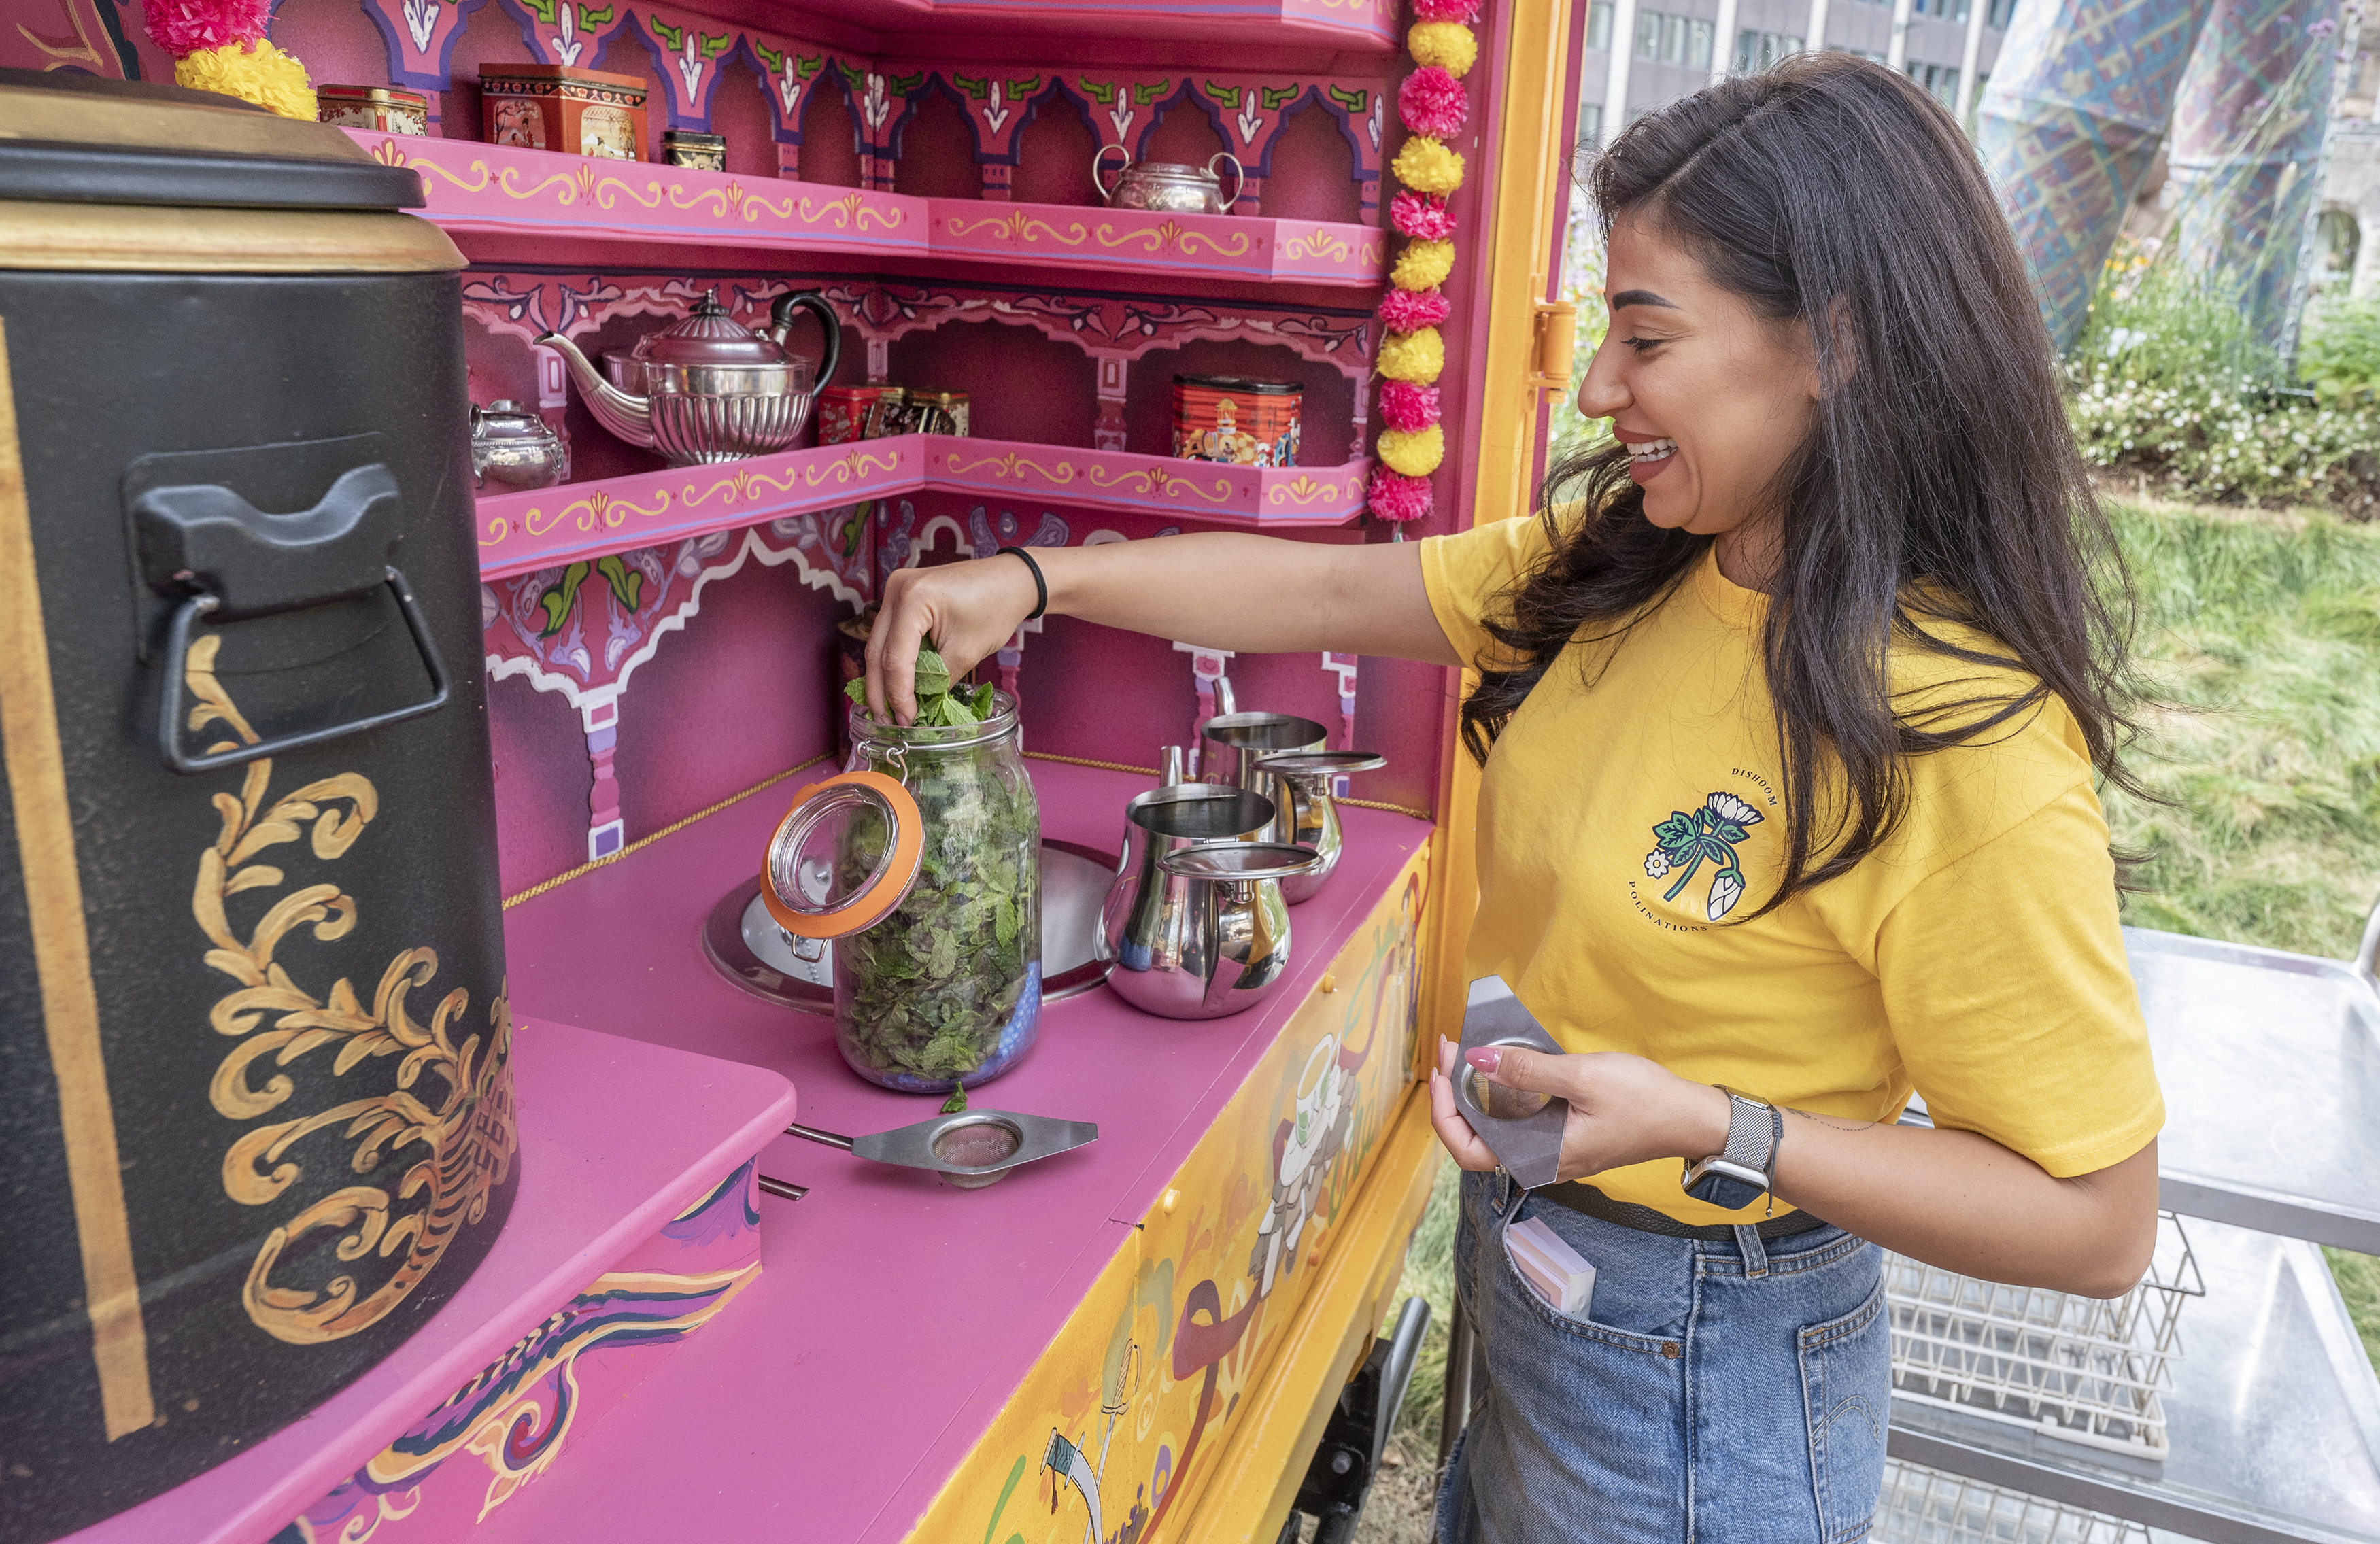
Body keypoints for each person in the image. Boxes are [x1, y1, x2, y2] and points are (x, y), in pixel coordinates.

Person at [862, 54, 2163, 1543]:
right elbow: (1335, 585)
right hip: (1542, 1255)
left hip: (1710, 1355)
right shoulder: (1627, 564)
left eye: (1646, 334)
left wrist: (1704, 1117)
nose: (1600, 386)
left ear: (1834, 344)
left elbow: (2095, 1221)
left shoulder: (1957, 732)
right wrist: (1035, 579)